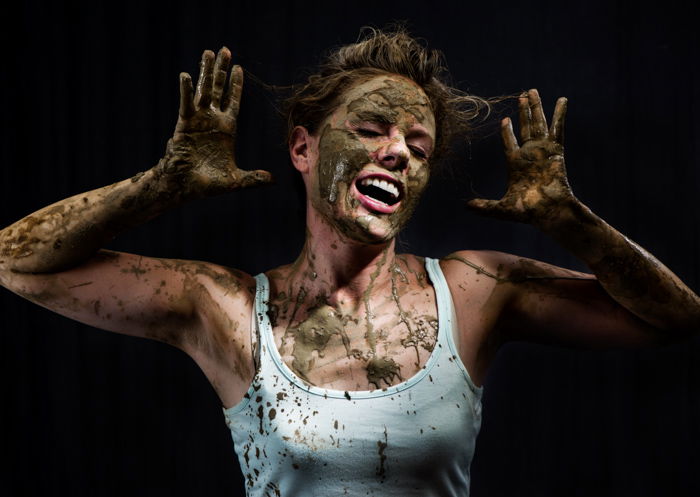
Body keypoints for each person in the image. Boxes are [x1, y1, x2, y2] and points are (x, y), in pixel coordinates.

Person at [0, 27, 698, 496]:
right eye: (370, 129)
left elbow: (673, 317)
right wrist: (160, 186)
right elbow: (16, 262)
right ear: (304, 150)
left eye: (418, 147)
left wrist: (567, 219)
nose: (397, 150)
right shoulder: (227, 309)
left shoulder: (475, 290)